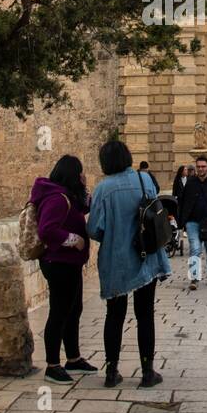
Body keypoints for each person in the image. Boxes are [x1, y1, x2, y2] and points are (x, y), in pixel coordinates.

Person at [87, 139, 170, 388]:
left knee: (114, 315)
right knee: (145, 315)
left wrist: (114, 236)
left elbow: (95, 229)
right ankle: (147, 372)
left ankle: (111, 373)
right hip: (146, 257)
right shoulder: (145, 181)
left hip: (116, 260)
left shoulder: (103, 188)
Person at [31, 155, 95, 385]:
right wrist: (73, 239)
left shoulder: (65, 195)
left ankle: (74, 358)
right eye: (80, 172)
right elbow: (46, 230)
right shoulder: (56, 198)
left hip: (70, 263)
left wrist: (85, 188)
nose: (82, 175)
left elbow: (82, 206)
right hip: (58, 263)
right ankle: (52, 365)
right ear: (72, 174)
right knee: (59, 313)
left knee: (73, 309)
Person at [178, 156, 207, 288]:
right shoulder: (190, 182)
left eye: (203, 166)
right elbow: (183, 202)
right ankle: (194, 278)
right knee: (195, 248)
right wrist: (181, 221)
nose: (201, 169)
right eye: (198, 166)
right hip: (193, 221)